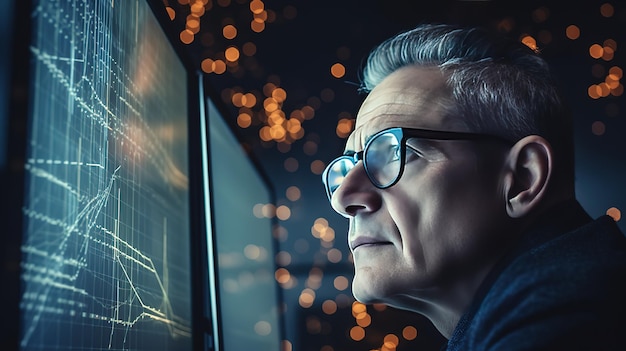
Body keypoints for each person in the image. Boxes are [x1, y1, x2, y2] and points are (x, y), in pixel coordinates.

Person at [321, 23, 626, 350]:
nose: (343, 198)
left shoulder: (565, 315)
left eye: (397, 152)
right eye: (350, 165)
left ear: (524, 178)